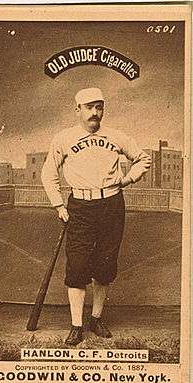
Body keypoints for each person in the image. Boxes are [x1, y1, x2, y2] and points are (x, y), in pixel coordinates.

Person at [41, 87, 151, 346]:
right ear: (77, 110)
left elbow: (143, 159)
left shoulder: (115, 136)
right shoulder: (64, 138)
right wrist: (59, 205)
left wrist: (127, 179)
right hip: (79, 205)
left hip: (112, 204)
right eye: (89, 107)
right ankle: (76, 325)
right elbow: (49, 173)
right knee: (78, 267)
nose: (94, 112)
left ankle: (96, 319)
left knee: (105, 265)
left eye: (99, 107)